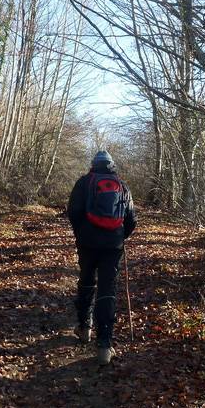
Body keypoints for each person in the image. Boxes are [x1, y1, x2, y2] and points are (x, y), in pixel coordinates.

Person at [67, 150, 136, 365]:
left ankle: (84, 327)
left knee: (87, 281)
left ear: (93, 165)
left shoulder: (84, 182)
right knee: (108, 289)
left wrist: (81, 234)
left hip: (87, 242)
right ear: (111, 165)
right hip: (113, 245)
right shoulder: (122, 185)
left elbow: (73, 212)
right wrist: (119, 236)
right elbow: (131, 219)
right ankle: (104, 344)